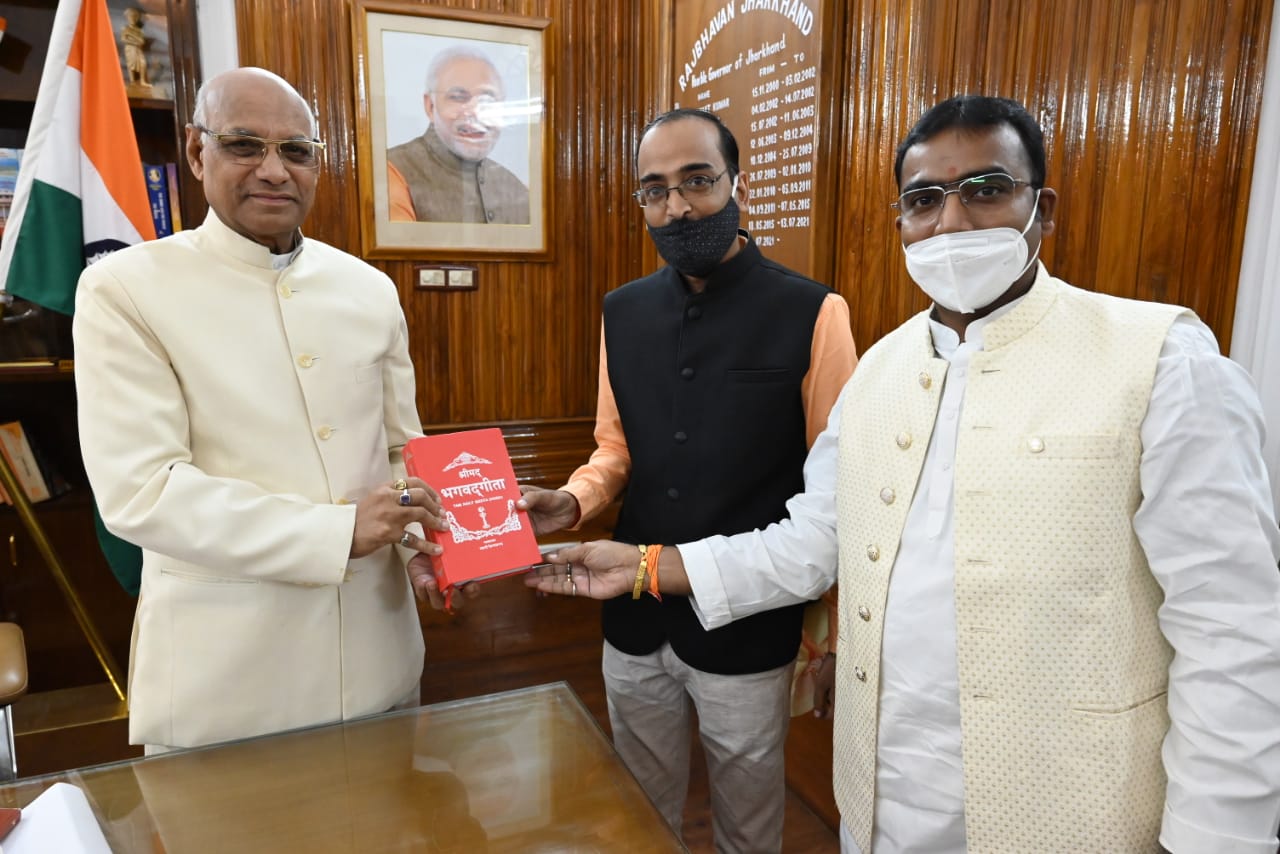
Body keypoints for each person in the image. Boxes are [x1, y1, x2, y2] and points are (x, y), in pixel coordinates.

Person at [530, 95, 1280, 854]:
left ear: (1041, 207)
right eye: (924, 200)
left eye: (985, 190)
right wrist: (645, 565)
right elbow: (812, 539)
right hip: (884, 797)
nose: (951, 223)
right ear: (902, 222)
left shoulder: (1160, 359)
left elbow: (1233, 630)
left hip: (1068, 805)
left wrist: (1219, 837)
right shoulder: (883, 371)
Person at [73, 67, 462, 753]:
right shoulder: (124, 289)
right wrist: (337, 532)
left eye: (296, 150)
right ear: (198, 154)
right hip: (227, 681)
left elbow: (404, 453)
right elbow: (143, 492)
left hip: (380, 658)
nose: (275, 171)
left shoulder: (368, 289)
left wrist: (423, 548)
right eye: (245, 145)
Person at [515, 108, 858, 852]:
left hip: (750, 626)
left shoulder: (814, 311)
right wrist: (574, 500)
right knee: (637, 807)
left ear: (736, 183)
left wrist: (831, 634)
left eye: (697, 181)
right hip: (630, 616)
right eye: (655, 190)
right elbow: (615, 448)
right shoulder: (623, 311)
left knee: (748, 821)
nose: (677, 206)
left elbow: (841, 491)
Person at [387, 46, 530, 225]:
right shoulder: (393, 171)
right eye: (458, 97)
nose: (475, 112)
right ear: (430, 106)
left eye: (488, 100)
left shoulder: (515, 188)